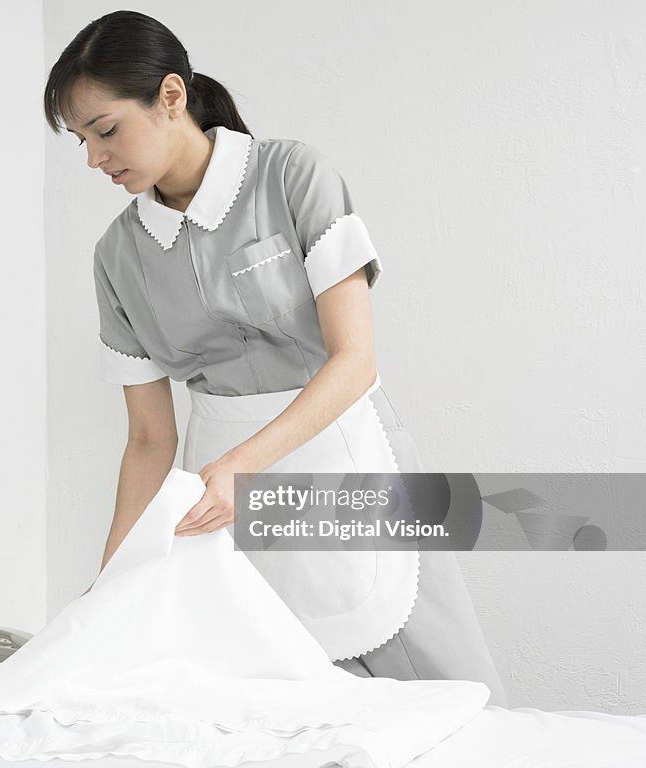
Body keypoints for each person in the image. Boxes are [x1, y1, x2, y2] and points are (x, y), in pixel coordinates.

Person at [43, 10, 508, 707]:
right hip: (221, 492)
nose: (93, 159)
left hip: (344, 456)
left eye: (105, 130)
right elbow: (147, 440)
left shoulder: (290, 176)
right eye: (80, 141)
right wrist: (111, 583)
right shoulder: (118, 256)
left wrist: (244, 468)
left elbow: (354, 361)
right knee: (280, 705)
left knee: (448, 689)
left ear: (172, 96)